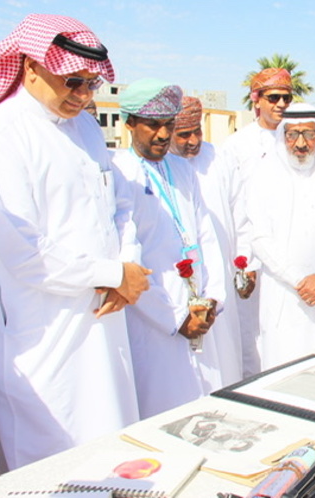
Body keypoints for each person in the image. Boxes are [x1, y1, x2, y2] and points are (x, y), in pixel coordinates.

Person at [0, 14, 149, 469]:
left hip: (105, 312)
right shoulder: (0, 133)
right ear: (31, 66)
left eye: (92, 83)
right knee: (54, 460)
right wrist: (113, 273)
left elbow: (120, 205)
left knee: (111, 446)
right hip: (43, 326)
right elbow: (23, 249)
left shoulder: (88, 129)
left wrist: (127, 265)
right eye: (72, 81)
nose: (84, 95)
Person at [113, 78, 226, 418]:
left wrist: (213, 298)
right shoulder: (119, 173)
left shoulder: (181, 168)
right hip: (153, 316)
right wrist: (176, 318)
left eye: (168, 124)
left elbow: (205, 234)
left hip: (199, 309)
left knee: (208, 406)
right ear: (129, 123)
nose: (163, 134)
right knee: (165, 412)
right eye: (153, 125)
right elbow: (128, 258)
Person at [245, 104, 315, 368]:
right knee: (285, 367)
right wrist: (298, 280)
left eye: (308, 134)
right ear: (283, 136)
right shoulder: (263, 175)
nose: (301, 143)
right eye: (292, 134)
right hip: (284, 294)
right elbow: (259, 237)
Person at [218, 68, 294, 376]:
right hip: (251, 254)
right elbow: (234, 205)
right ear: (256, 100)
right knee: (251, 332)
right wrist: (244, 259)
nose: (281, 104)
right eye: (273, 98)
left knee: (285, 326)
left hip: (289, 250)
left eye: (286, 98)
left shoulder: (298, 137)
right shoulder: (236, 145)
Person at [169, 96, 244, 386]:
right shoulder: (162, 165)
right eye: (183, 134)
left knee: (225, 351)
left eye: (197, 132)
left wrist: (244, 261)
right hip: (179, 281)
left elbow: (240, 211)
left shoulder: (218, 157)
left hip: (220, 274)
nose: (193, 141)